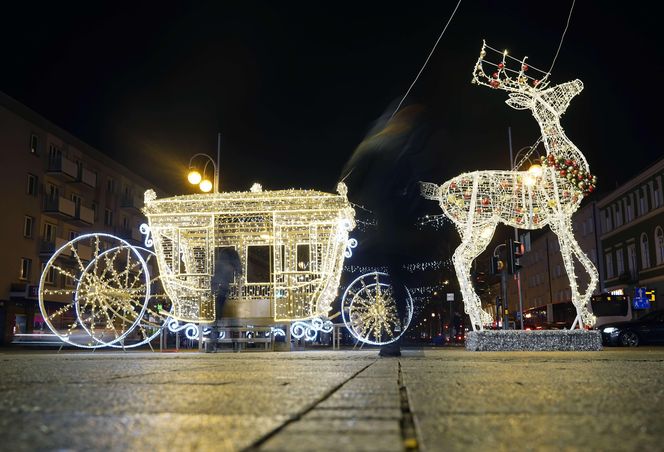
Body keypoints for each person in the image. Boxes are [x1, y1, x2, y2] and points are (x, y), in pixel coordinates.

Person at [341, 99, 431, 357]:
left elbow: (355, 172)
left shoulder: (390, 147)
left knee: (397, 278)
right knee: (397, 278)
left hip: (397, 226)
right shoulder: (390, 147)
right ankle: (395, 336)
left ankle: (395, 337)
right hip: (394, 226)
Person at [206, 246, 242, 353]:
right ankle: (235, 344)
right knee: (232, 320)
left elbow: (215, 279)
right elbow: (238, 272)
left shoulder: (220, 263)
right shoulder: (230, 265)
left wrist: (212, 290)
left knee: (216, 320)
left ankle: (213, 344)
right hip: (227, 293)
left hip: (219, 293)